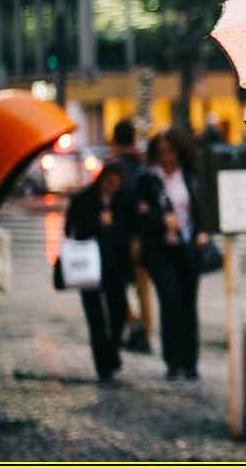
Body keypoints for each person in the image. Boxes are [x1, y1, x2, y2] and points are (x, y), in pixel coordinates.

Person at [136, 128, 210, 380]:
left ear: (179, 152)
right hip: (160, 249)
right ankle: (172, 361)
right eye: (161, 151)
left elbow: (200, 207)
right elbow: (140, 211)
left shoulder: (189, 175)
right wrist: (161, 219)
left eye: (170, 151)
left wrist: (202, 231)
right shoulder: (149, 178)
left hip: (188, 247)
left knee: (188, 303)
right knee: (169, 300)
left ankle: (190, 362)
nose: (166, 156)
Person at [64, 162, 130, 385]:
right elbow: (71, 230)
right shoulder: (84, 199)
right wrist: (97, 223)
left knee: (118, 313)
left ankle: (112, 351)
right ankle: (104, 367)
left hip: (115, 266)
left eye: (116, 183)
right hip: (88, 266)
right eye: (109, 182)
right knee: (96, 319)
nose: (112, 187)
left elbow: (129, 229)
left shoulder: (122, 200)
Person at [110, 119, 153, 354]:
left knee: (115, 285)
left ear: (114, 140)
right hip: (143, 234)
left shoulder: (113, 167)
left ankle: (134, 323)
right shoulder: (142, 163)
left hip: (120, 235)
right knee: (142, 287)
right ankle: (145, 334)